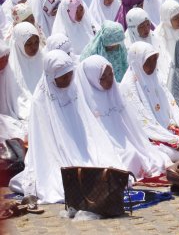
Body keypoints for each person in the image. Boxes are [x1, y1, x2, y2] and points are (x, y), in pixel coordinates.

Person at [10, 50, 128, 204]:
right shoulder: (40, 101)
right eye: (62, 77)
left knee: (104, 167)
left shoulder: (73, 89)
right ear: (52, 77)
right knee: (59, 183)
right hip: (53, 152)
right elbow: (43, 141)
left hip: (82, 148)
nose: (68, 80)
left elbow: (85, 123)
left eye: (70, 75)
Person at [77, 54, 169, 176]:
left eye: (110, 74)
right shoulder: (85, 102)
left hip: (125, 143)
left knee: (145, 156)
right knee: (130, 158)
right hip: (106, 148)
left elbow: (129, 128)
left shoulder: (115, 91)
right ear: (91, 79)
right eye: (102, 77)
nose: (109, 80)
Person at [121, 42, 179, 162]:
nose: (152, 65)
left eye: (154, 60)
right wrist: (167, 138)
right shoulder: (128, 85)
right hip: (151, 135)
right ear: (137, 62)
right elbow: (143, 122)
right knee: (162, 153)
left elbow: (173, 108)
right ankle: (178, 155)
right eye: (148, 61)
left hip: (168, 129)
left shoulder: (157, 76)